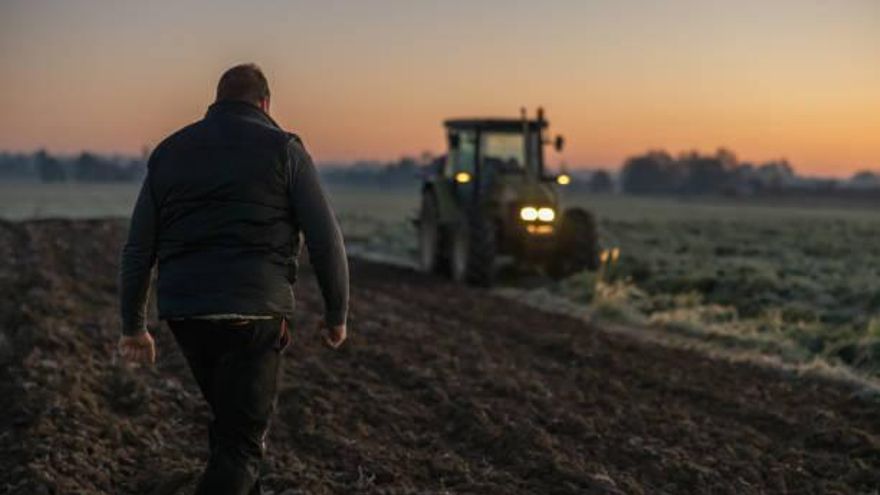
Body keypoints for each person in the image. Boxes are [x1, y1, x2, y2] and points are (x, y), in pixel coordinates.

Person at [117, 63, 349, 495]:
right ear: (265, 103)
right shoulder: (284, 149)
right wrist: (337, 313)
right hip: (254, 314)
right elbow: (325, 238)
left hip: (186, 315)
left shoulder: (169, 152)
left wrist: (134, 325)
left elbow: (137, 249)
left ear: (217, 101)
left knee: (232, 430)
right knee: (242, 447)